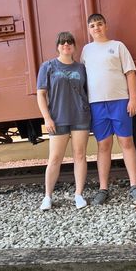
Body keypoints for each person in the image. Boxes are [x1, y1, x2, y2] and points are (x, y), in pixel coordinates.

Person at [81, 13, 136, 205]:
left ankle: (134, 185)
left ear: (105, 26)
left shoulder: (117, 46)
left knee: (126, 142)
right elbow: (82, 78)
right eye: (92, 25)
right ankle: (103, 188)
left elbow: (130, 73)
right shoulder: (86, 50)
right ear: (89, 30)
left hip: (119, 101)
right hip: (97, 104)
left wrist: (133, 98)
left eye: (99, 24)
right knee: (103, 145)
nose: (96, 28)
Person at [36, 31, 91, 210]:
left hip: (80, 116)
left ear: (74, 46)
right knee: (55, 158)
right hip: (58, 118)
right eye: (62, 42)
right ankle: (47, 196)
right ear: (57, 47)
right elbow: (41, 94)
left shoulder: (81, 68)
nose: (66, 45)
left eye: (69, 42)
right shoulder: (48, 66)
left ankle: (79, 195)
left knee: (80, 155)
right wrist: (47, 118)